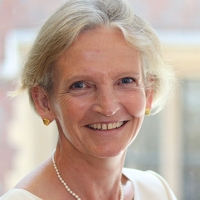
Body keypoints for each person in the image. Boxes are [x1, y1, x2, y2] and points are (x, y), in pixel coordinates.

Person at [1, 0, 177, 199]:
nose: (108, 107)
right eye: (80, 85)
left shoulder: (156, 191)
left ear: (148, 92)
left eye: (126, 81)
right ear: (44, 102)